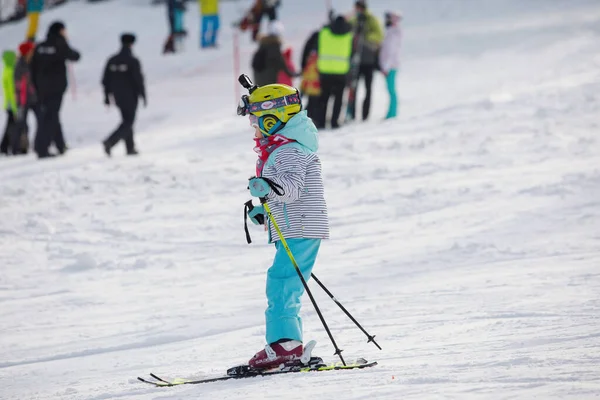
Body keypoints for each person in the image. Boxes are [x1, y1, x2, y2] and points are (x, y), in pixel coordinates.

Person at [238, 79, 329, 369]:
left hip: (300, 227)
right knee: (283, 282)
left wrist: (265, 186)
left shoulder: (288, 150)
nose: (254, 129)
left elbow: (291, 188)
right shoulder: (285, 147)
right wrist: (266, 212)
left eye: (256, 122)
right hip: (296, 225)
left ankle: (285, 344)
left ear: (272, 118)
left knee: (282, 283)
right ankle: (286, 342)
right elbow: (287, 192)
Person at [30, 21, 81, 158]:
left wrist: (35, 85)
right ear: (60, 31)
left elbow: (32, 68)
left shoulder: (39, 47)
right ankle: (42, 148)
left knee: (51, 115)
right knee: (51, 117)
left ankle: (60, 145)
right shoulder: (60, 44)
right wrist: (65, 42)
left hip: (41, 88)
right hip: (56, 87)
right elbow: (75, 56)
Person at [101, 33, 147, 156]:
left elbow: (105, 80)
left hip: (117, 96)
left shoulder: (112, 60)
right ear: (132, 44)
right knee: (129, 121)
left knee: (126, 119)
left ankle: (130, 147)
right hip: (131, 95)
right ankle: (110, 141)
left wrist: (107, 95)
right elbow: (138, 79)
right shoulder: (132, 60)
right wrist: (143, 94)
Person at [315, 15, 353, 129]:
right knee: (339, 99)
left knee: (324, 98)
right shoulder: (348, 35)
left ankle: (321, 122)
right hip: (341, 71)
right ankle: (334, 122)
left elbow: (318, 45)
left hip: (325, 70)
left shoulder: (324, 33)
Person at [348, 0, 383, 121]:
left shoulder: (372, 20)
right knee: (353, 88)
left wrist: (365, 37)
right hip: (355, 61)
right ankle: (352, 114)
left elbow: (379, 36)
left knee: (368, 89)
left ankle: (365, 115)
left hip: (368, 61)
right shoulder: (354, 21)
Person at [13, 41, 40, 155]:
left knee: (42, 120)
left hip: (33, 99)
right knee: (21, 124)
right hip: (22, 100)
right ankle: (16, 147)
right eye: (31, 50)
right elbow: (19, 84)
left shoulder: (32, 63)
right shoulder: (20, 65)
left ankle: (38, 144)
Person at [251, 21, 296, 87]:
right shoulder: (274, 47)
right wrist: (292, 74)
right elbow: (281, 64)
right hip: (269, 82)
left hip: (259, 81)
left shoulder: (263, 46)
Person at [379, 11, 401, 119]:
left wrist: (385, 67)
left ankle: (392, 113)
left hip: (390, 66)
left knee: (391, 90)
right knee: (390, 90)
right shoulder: (391, 32)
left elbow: (390, 52)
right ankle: (391, 112)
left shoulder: (393, 33)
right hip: (390, 66)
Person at [1, 50, 18, 155]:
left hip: (8, 103)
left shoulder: (6, 70)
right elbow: (12, 91)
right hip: (12, 104)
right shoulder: (11, 71)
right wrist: (15, 107)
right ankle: (6, 146)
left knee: (9, 125)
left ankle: (4, 146)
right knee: (11, 126)